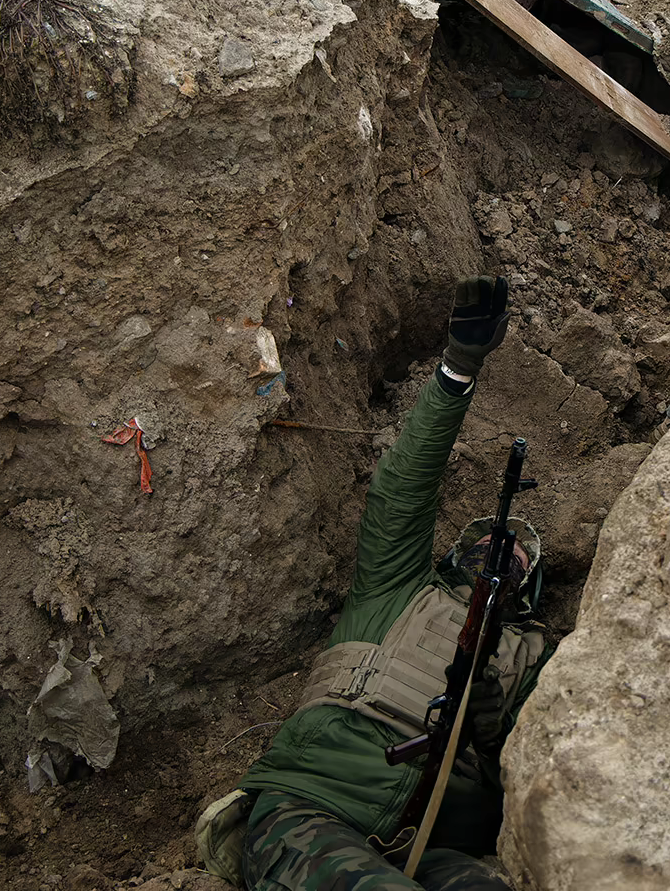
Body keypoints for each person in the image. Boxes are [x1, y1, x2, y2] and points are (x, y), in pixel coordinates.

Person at [195, 276, 552, 891]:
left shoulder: (538, 661)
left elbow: (542, 779)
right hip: (315, 808)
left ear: (529, 592)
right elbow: (401, 491)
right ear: (455, 556)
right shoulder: (396, 586)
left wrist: (494, 729)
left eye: (519, 556)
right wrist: (459, 368)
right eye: (488, 542)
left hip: (437, 844)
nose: (503, 549)